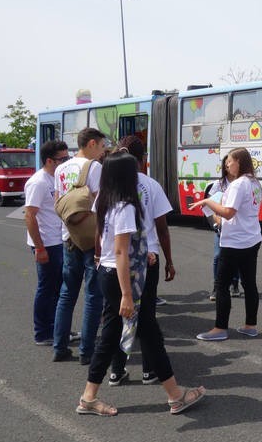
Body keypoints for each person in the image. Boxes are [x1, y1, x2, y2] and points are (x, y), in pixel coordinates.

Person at [76, 151, 204, 416]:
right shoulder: (126, 206)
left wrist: (139, 251)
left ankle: (89, 398)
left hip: (108, 272)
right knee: (150, 334)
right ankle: (175, 396)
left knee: (111, 334)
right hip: (125, 279)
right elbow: (122, 251)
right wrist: (126, 294)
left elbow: (110, 242)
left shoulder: (105, 199)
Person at [108, 136, 175, 387]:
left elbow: (97, 229)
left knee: (115, 317)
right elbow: (162, 229)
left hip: (115, 261)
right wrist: (169, 260)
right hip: (149, 257)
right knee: (147, 316)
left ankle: (116, 370)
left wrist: (97, 254)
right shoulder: (151, 185)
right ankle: (149, 371)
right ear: (142, 159)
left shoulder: (109, 186)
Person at [190, 147, 262, 341]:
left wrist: (207, 201)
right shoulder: (254, 182)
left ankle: (220, 329)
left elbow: (228, 212)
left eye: (229, 161)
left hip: (235, 242)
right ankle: (250, 325)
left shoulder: (239, 184)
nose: (226, 164)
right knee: (249, 284)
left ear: (239, 161)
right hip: (252, 238)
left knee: (221, 284)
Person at [52, 128, 107, 364]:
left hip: (68, 236)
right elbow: (101, 204)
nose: (104, 150)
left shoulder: (61, 168)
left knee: (66, 294)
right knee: (93, 294)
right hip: (90, 238)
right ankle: (87, 351)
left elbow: (58, 202)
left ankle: (59, 346)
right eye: (102, 145)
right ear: (92, 144)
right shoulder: (94, 168)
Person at [25, 139, 70, 346]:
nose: (67, 161)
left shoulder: (57, 178)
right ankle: (43, 332)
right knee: (47, 288)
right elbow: (30, 215)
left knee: (58, 289)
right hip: (46, 243)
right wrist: (40, 247)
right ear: (50, 160)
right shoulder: (39, 182)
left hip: (58, 240)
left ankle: (57, 329)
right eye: (64, 158)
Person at [207, 154, 241, 302]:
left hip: (237, 228)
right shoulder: (219, 185)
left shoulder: (242, 183)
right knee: (217, 256)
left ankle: (234, 284)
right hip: (221, 226)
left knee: (237, 257)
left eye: (231, 162)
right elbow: (210, 207)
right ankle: (217, 286)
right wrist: (217, 220)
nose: (229, 165)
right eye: (226, 163)